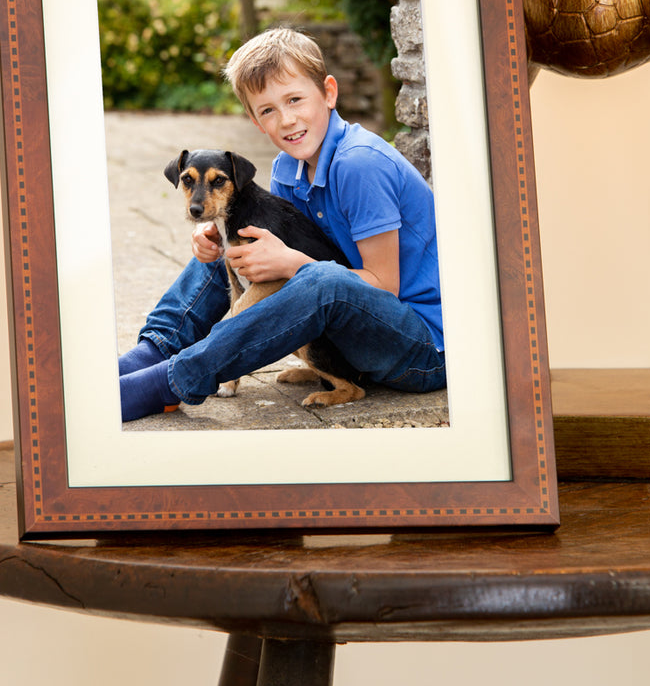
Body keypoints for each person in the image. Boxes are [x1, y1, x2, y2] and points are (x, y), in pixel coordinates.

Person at [118, 27, 445, 421]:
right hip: (353, 336)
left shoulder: (360, 164)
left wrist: (291, 264)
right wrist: (216, 239)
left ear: (328, 93)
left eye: (295, 99)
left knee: (318, 279)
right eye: (268, 110)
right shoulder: (288, 167)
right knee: (237, 238)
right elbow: (283, 247)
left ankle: (170, 382)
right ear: (256, 121)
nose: (287, 120)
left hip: (422, 348)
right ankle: (156, 349)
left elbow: (383, 285)